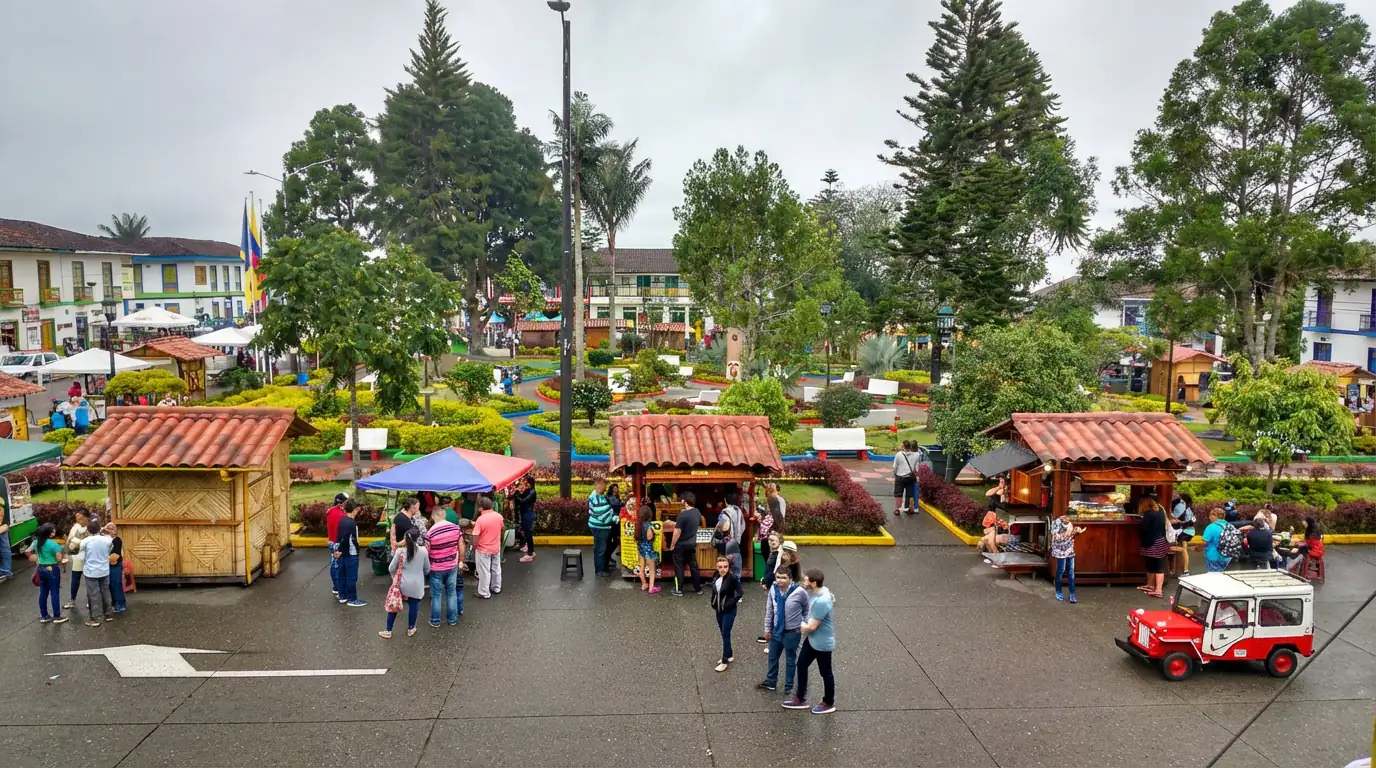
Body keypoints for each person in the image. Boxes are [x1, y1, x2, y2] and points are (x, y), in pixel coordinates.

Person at [783, 568, 835, 714]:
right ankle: (800, 698)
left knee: (825, 673)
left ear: (813, 583)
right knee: (801, 665)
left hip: (822, 643)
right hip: (812, 641)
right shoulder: (821, 591)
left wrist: (795, 622)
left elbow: (810, 627)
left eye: (806, 580)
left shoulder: (821, 601)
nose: (804, 581)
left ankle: (828, 702)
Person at [759, 567, 809, 695]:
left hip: (792, 632)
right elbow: (769, 611)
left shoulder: (799, 592)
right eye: (778, 577)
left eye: (784, 578)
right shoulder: (773, 589)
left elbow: (806, 610)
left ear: (790, 579)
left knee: (790, 660)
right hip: (776, 630)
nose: (780, 580)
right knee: (772, 657)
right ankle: (771, 682)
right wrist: (767, 629)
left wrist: (802, 624)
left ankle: (788, 686)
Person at [380, 527, 429, 639]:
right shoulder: (423, 551)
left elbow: (391, 568)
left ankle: (388, 631)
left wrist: (394, 577)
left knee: (394, 606)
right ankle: (411, 628)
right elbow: (427, 569)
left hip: (401, 585)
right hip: (416, 586)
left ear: (405, 539)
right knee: (414, 607)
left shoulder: (400, 552)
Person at [424, 503, 463, 627]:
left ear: (433, 516)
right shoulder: (456, 528)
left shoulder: (430, 533)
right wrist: (461, 560)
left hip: (436, 568)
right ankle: (452, 619)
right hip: (452, 566)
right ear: (444, 515)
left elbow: (426, 552)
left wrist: (426, 567)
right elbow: (461, 546)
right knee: (451, 592)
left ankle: (435, 621)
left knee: (436, 595)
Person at [26, 523, 69, 623]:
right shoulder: (53, 544)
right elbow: (59, 558)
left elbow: (28, 551)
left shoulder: (36, 542)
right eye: (53, 531)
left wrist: (34, 558)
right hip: (52, 569)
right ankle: (57, 616)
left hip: (41, 569)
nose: (54, 532)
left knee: (43, 592)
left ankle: (44, 615)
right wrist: (62, 560)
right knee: (54, 592)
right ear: (49, 533)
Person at [78, 519, 114, 627]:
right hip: (104, 570)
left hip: (91, 571)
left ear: (88, 530)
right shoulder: (107, 540)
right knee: (105, 591)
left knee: (94, 594)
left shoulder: (85, 542)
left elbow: (81, 557)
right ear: (99, 528)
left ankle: (96, 618)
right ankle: (108, 614)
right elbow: (109, 551)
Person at [710, 556, 742, 673]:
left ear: (729, 567)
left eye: (725, 567)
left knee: (725, 634)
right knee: (724, 633)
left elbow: (740, 592)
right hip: (719, 610)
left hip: (729, 611)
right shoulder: (716, 576)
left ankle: (724, 661)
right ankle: (729, 654)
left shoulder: (732, 578)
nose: (723, 569)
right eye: (720, 567)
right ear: (717, 567)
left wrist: (731, 602)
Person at [669, 490, 703, 596]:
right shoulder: (697, 512)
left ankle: (678, 589)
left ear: (685, 501)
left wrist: (672, 545)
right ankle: (698, 589)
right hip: (692, 543)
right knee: (694, 567)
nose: (681, 502)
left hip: (680, 545)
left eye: (682, 500)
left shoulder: (683, 515)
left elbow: (677, 532)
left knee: (679, 566)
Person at [471, 497, 503, 598]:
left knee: (484, 571)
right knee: (496, 568)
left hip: (483, 549)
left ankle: (484, 592)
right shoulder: (499, 516)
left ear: (480, 508)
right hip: (496, 548)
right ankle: (496, 587)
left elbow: (475, 536)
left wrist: (474, 546)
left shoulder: (480, 520)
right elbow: (502, 528)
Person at [1138, 498, 1170, 597]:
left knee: (1156, 566)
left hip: (1151, 541)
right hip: (1161, 540)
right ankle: (1151, 586)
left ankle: (1158, 590)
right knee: (1154, 564)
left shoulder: (1148, 514)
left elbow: (1144, 528)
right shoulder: (1160, 510)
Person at [335, 500, 365, 606]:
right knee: (352, 577)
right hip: (351, 554)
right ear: (355, 509)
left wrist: (338, 551)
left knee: (342, 575)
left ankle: (342, 596)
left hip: (342, 554)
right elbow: (350, 540)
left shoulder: (342, 520)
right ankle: (352, 599)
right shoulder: (352, 523)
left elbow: (339, 538)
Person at [756, 530, 784, 645]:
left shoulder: (779, 555)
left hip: (774, 586)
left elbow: (775, 572)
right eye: (770, 540)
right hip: (770, 585)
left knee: (774, 612)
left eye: (773, 540)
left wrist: (767, 581)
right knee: (771, 612)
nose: (770, 542)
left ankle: (775, 639)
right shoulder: (772, 553)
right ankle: (771, 635)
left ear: (780, 541)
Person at [1050, 514, 1084, 603]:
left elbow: (1072, 533)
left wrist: (1076, 531)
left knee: (1071, 571)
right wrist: (1070, 533)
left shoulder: (1071, 524)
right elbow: (1057, 538)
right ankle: (1058, 591)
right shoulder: (1057, 523)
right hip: (1060, 550)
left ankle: (1072, 594)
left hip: (1069, 549)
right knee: (1061, 570)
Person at [587, 479, 617, 576]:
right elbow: (599, 511)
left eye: (603, 485)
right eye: (600, 485)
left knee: (602, 547)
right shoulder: (594, 497)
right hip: (599, 527)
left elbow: (607, 510)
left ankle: (603, 567)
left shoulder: (602, 496)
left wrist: (612, 514)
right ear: (596, 485)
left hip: (603, 526)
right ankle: (600, 570)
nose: (602, 487)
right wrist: (611, 513)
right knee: (601, 548)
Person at [64, 510, 93, 610]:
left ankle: (91, 600)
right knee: (75, 579)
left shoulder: (92, 527)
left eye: (80, 518)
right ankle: (72, 599)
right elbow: (70, 539)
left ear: (86, 518)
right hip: (77, 556)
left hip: (89, 557)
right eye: (76, 518)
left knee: (90, 580)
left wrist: (79, 542)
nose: (78, 520)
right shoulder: (76, 527)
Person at [325, 492, 349, 599]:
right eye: (346, 501)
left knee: (334, 563)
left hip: (331, 541)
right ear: (341, 503)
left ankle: (335, 586)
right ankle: (339, 588)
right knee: (338, 566)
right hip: (338, 543)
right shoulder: (341, 515)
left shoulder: (331, 511)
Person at [713, 516, 743, 598]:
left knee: (732, 574)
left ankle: (733, 592)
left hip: (730, 553)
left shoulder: (720, 535)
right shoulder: (731, 537)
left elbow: (714, 543)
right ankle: (735, 592)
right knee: (735, 574)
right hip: (734, 553)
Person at [635, 499, 660, 594]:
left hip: (640, 548)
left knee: (641, 567)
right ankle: (651, 588)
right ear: (649, 515)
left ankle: (644, 584)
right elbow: (649, 538)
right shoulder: (648, 525)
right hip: (648, 549)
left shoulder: (638, 524)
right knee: (652, 569)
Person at [1170, 493, 1196, 575]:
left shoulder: (1181, 506)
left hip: (1184, 531)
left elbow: (1175, 516)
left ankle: (1184, 570)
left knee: (1182, 550)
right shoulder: (1189, 508)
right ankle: (1183, 570)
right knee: (1183, 549)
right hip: (1190, 531)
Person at [514, 476, 538, 563]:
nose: (524, 483)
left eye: (525, 482)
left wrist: (517, 495)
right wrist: (517, 492)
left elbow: (523, 501)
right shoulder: (528, 491)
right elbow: (519, 499)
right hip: (525, 514)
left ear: (529, 483)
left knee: (528, 534)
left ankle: (530, 554)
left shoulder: (532, 492)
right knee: (527, 534)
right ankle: (531, 551)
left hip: (528, 515)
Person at [104, 522, 126, 614]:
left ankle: (119, 604)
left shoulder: (117, 540)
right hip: (112, 564)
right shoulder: (107, 539)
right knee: (113, 585)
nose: (112, 531)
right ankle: (117, 604)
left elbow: (115, 555)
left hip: (115, 564)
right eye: (110, 529)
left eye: (113, 529)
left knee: (115, 584)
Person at [892, 440, 918, 516]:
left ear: (903, 446)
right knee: (910, 493)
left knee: (898, 494)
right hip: (910, 477)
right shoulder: (916, 455)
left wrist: (895, 474)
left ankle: (897, 509)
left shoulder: (899, 455)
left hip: (900, 477)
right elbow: (917, 468)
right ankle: (910, 508)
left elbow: (895, 467)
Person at [1201, 507, 1231, 573]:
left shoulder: (1211, 527)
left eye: (1211, 515)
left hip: (1213, 556)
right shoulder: (1230, 526)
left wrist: (1197, 548)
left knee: (1214, 577)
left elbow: (1204, 543)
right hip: (1228, 557)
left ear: (1215, 516)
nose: (1209, 517)